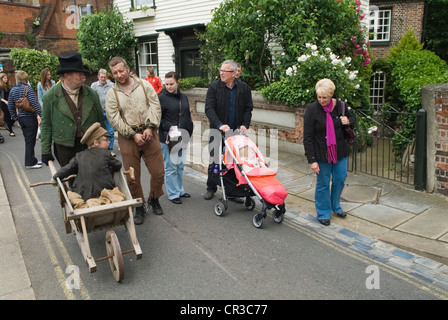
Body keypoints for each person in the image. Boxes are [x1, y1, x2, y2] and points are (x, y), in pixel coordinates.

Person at [106, 57, 165, 224]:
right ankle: (139, 205)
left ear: (128, 68)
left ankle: (154, 198)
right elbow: (114, 118)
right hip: (128, 138)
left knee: (158, 172)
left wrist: (150, 127)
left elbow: (155, 106)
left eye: (121, 71)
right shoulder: (112, 94)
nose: (119, 75)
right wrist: (132, 134)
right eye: (115, 73)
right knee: (132, 176)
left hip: (149, 132)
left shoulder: (145, 86)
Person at [303, 78, 355, 226]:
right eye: (319, 97)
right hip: (321, 153)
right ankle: (324, 212)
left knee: (340, 178)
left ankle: (336, 206)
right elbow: (308, 137)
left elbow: (352, 118)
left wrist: (348, 121)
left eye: (324, 97)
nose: (321, 100)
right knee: (323, 183)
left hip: (339, 151)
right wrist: (312, 160)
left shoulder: (341, 106)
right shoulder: (312, 110)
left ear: (331, 95)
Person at [40, 52, 106, 167]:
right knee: (71, 180)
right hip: (65, 147)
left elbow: (101, 120)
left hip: (90, 144)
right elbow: (46, 125)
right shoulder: (50, 97)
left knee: (93, 178)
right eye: (79, 74)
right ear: (66, 75)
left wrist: (105, 142)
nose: (83, 77)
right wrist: (46, 151)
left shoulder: (92, 94)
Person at [204, 59, 253, 200]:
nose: (222, 73)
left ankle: (231, 191)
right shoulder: (214, 87)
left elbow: (248, 109)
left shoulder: (244, 88)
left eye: (225, 71)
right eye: (221, 70)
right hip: (217, 131)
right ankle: (211, 187)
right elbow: (209, 108)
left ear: (234, 73)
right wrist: (219, 125)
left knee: (232, 164)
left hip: (236, 133)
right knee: (215, 161)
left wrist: (245, 124)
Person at [53, 122, 122, 201]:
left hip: (82, 196)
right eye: (106, 140)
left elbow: (67, 168)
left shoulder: (79, 156)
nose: (109, 142)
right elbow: (118, 165)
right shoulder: (105, 154)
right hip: (103, 193)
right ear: (96, 143)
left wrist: (56, 176)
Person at [158, 71, 193, 204]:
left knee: (180, 165)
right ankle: (173, 194)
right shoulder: (160, 98)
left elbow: (187, 115)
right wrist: (172, 127)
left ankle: (180, 190)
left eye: (171, 84)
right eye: (166, 84)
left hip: (183, 136)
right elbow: (158, 120)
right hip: (168, 137)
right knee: (171, 166)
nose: (169, 86)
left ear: (177, 82)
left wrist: (189, 129)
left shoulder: (184, 97)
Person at [8, 71, 42, 168]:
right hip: (30, 118)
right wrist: (42, 115)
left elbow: (10, 106)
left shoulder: (13, 90)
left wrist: (15, 118)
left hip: (21, 119)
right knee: (30, 140)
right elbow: (34, 104)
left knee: (28, 140)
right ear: (26, 79)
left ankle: (32, 160)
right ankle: (30, 162)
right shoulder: (28, 89)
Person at [91, 69, 115, 153]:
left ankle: (109, 149)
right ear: (98, 77)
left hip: (109, 112)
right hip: (98, 112)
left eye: (104, 77)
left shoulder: (112, 85)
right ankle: (100, 149)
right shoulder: (94, 86)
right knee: (99, 132)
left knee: (110, 131)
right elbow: (91, 99)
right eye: (101, 77)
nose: (103, 79)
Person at [0, 72, 15, 137]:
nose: (6, 79)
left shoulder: (8, 85)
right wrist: (4, 101)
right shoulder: (0, 86)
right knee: (8, 116)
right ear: (1, 79)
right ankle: (11, 131)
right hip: (3, 103)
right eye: (4, 78)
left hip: (10, 102)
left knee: (14, 115)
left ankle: (9, 125)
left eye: (6, 78)